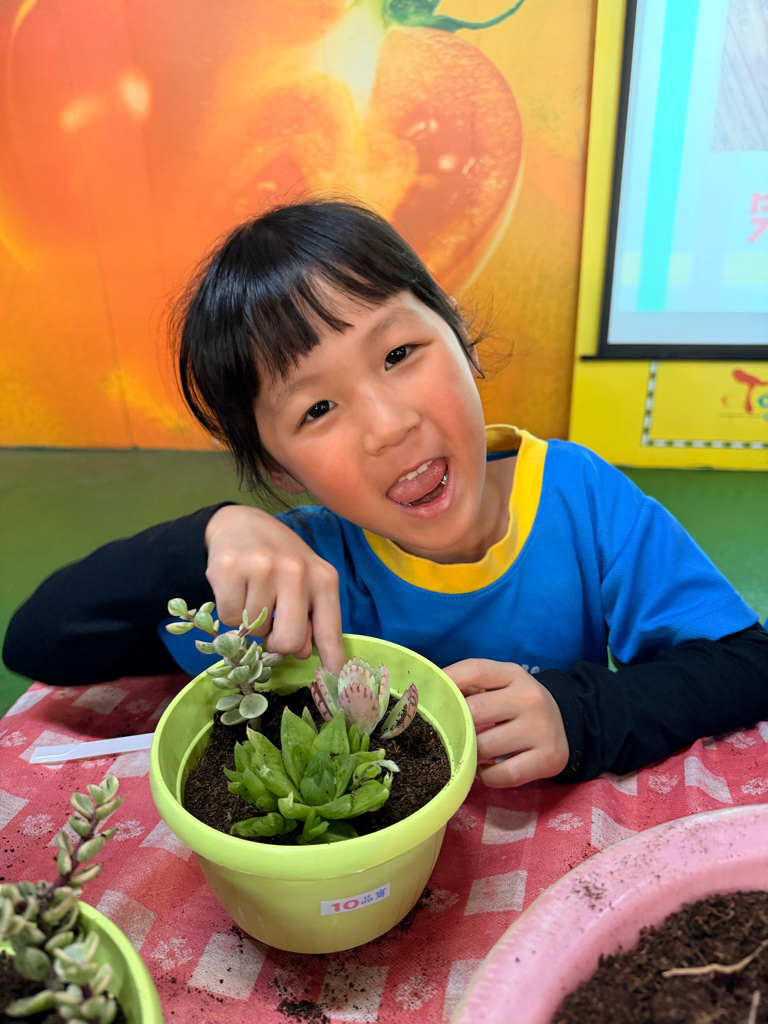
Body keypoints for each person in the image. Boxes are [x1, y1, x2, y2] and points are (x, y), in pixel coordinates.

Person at [4, 199, 767, 789]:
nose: (388, 426)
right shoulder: (303, 570)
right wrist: (208, 532)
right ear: (280, 470)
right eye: (317, 409)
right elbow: (42, 642)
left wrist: (583, 715)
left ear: (459, 335)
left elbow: (748, 664)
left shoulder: (581, 501)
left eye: (399, 353)